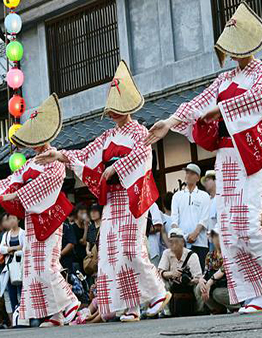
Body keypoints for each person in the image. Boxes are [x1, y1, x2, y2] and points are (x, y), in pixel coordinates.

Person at [146, 2, 262, 313]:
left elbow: (258, 100)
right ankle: (254, 296)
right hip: (225, 156)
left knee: (246, 225)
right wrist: (170, 123)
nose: (233, 53)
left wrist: (221, 110)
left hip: (249, 154)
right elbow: (197, 103)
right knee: (229, 231)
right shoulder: (224, 80)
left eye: (236, 46)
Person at [36, 63, 169, 322]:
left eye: (118, 109)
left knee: (131, 248)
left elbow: (143, 157)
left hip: (132, 196)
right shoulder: (107, 136)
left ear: (128, 107)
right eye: (111, 110)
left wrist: (116, 167)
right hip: (113, 200)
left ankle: (158, 293)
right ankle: (130, 306)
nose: (113, 114)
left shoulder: (140, 132)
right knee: (110, 251)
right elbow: (85, 155)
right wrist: (59, 155)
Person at [0, 94, 79, 327]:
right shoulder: (30, 163)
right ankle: (54, 315)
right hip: (33, 218)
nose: (36, 143)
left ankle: (70, 305)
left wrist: (17, 194)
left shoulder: (56, 161)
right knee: (35, 270)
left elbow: (44, 186)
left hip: (49, 216)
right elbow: (9, 181)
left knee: (47, 266)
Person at [170, 163, 211, 270]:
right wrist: (180, 236)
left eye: (192, 173)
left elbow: (204, 218)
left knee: (199, 275)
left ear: (197, 177)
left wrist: (195, 233)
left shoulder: (204, 195)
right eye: (187, 172)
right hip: (181, 244)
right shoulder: (177, 196)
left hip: (200, 242)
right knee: (181, 276)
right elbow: (174, 218)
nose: (188, 175)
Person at [158, 228, 204, 316]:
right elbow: (160, 272)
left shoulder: (192, 255)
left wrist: (188, 279)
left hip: (189, 286)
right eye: (170, 241)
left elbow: (198, 278)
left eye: (176, 241)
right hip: (172, 284)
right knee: (160, 282)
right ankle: (167, 312)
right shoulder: (166, 253)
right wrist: (172, 273)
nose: (173, 244)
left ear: (183, 242)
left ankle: (199, 310)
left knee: (200, 285)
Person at [200, 230, 239, 313]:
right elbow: (206, 271)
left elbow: (223, 270)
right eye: (214, 236)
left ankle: (238, 306)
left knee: (218, 293)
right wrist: (201, 280)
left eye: (219, 236)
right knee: (200, 288)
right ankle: (217, 309)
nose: (217, 239)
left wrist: (209, 283)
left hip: (232, 287)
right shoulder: (210, 255)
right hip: (217, 285)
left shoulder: (230, 252)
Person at [0, 214, 24, 326]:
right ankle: (15, 318)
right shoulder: (6, 235)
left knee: (21, 291)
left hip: (21, 265)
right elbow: (1, 249)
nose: (12, 221)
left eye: (14, 218)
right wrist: (14, 248)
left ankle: (23, 317)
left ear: (18, 219)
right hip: (10, 266)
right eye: (10, 219)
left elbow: (25, 247)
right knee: (11, 291)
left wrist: (9, 250)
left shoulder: (23, 233)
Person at [71, 203, 89, 273]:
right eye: (81, 213)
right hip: (78, 259)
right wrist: (86, 227)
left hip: (87, 259)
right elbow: (84, 242)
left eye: (85, 213)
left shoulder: (88, 225)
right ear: (77, 214)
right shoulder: (73, 227)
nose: (83, 215)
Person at [201, 170, 218, 239]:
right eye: (205, 181)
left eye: (208, 180)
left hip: (219, 237)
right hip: (209, 238)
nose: (206, 183)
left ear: (215, 181)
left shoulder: (221, 199)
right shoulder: (206, 200)